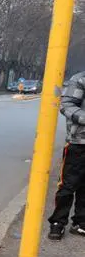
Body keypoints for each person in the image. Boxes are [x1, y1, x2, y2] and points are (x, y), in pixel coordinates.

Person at [47, 73, 85, 240]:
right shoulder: (81, 79)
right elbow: (66, 104)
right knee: (68, 185)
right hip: (79, 142)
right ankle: (58, 222)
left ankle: (81, 223)